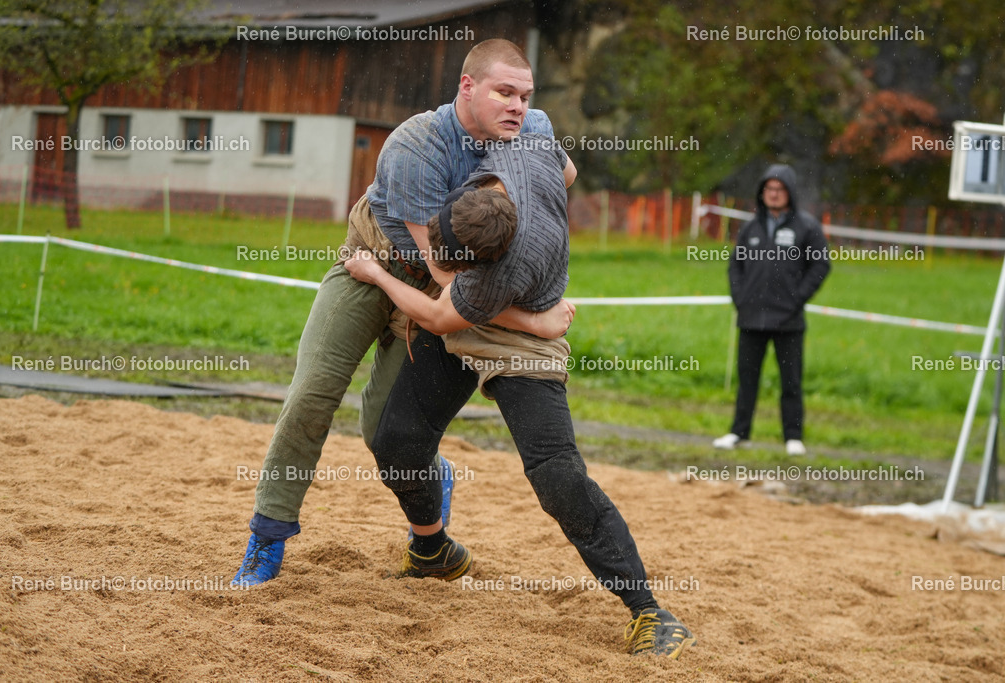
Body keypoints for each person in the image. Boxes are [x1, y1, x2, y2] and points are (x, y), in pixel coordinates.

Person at [231, 39, 574, 586]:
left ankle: (433, 486)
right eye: (504, 92)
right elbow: (445, 280)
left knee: (385, 434)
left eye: (525, 95)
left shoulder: (531, 129)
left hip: (438, 289)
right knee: (312, 395)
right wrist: (534, 323)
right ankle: (267, 537)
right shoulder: (417, 145)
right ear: (467, 87)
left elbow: (564, 177)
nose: (517, 105)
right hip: (375, 265)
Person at [344, 134, 697, 659]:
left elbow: (442, 313)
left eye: (456, 263)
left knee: (557, 476)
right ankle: (432, 549)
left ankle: (649, 611)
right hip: (492, 315)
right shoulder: (520, 151)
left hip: (525, 341)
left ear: (483, 263)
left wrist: (373, 272)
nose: (443, 263)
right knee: (397, 442)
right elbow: (567, 168)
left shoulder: (498, 273)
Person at [713, 164, 831, 456]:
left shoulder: (806, 227)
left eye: (779, 190)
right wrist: (740, 298)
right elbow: (735, 266)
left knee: (791, 381)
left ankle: (793, 436)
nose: (774, 195)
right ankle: (739, 433)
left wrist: (797, 299)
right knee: (747, 380)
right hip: (750, 318)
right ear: (762, 193)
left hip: (788, 320)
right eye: (769, 189)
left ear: (789, 193)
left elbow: (821, 265)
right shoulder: (750, 227)